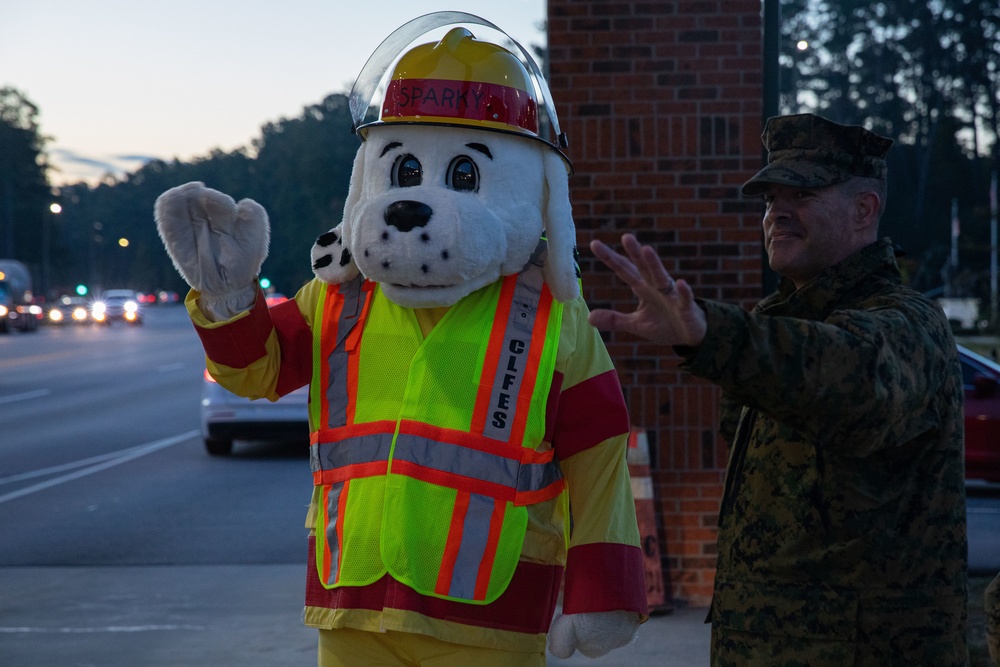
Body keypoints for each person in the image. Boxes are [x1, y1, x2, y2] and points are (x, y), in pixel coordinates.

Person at [588, 113, 968, 665]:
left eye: (803, 192)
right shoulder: (773, 320)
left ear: (865, 209)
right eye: (769, 199)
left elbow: (849, 376)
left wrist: (709, 333)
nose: (777, 212)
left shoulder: (910, 322)